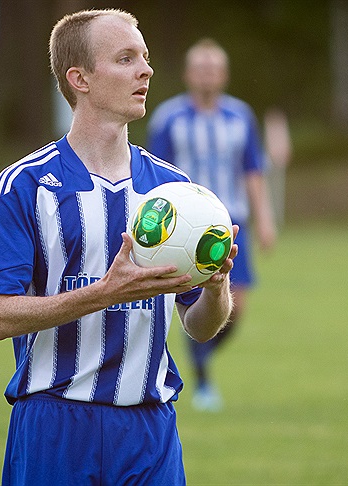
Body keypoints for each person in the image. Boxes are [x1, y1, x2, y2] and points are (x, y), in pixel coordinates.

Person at [0, 9, 237, 485]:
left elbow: (200, 326)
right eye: (126, 59)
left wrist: (216, 288)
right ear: (79, 79)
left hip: (149, 432)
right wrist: (105, 293)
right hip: (54, 427)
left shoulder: (174, 193)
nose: (146, 70)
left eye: (145, 57)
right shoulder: (26, 185)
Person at [147, 38, 276, 411]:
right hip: (184, 229)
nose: (207, 75)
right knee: (195, 299)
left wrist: (265, 219)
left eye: (213, 68)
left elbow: (252, 171)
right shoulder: (169, 118)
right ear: (188, 74)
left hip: (233, 223)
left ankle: (198, 358)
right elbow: (154, 176)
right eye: (200, 68)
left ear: (224, 75)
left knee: (237, 307)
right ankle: (203, 380)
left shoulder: (240, 116)